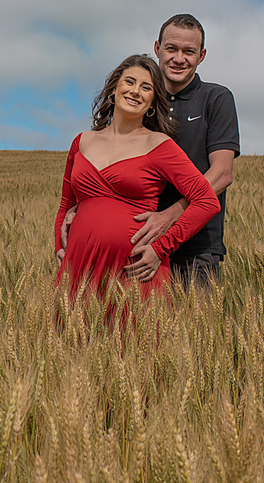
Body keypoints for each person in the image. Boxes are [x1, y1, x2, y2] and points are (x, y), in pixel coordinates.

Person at [63, 14, 239, 288]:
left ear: (201, 55)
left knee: (193, 331)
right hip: (137, 246)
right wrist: (85, 206)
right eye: (171, 49)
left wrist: (170, 216)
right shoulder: (140, 107)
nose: (179, 58)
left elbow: (222, 173)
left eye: (188, 52)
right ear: (157, 48)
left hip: (196, 247)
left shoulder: (215, 98)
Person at [54, 54, 220, 314]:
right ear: (114, 89)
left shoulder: (160, 145)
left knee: (135, 351)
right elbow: (66, 204)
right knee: (71, 350)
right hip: (80, 269)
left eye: (146, 87)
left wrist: (160, 247)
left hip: (134, 273)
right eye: (129, 82)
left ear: (153, 102)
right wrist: (60, 249)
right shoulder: (81, 142)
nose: (135, 91)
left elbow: (206, 201)